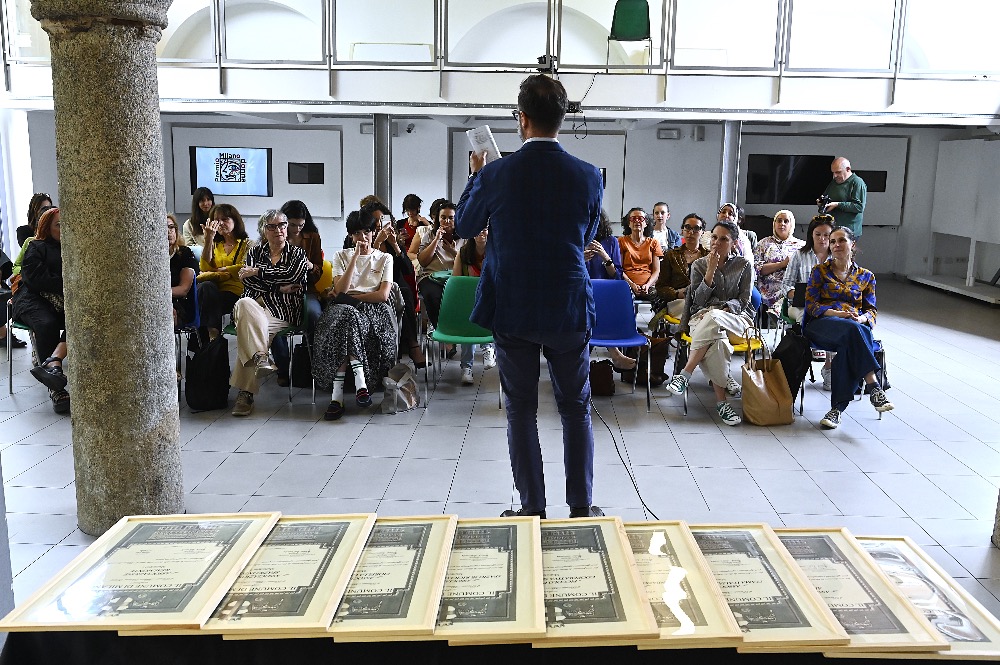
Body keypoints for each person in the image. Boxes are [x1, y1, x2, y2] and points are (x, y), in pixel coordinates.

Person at [456, 73, 604, 520]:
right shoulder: (588, 175)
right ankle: (581, 507)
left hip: (513, 305)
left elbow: (465, 226)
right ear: (562, 119)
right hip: (568, 304)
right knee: (576, 409)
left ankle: (531, 508)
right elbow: (587, 234)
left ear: (521, 119)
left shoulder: (496, 174)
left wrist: (475, 176)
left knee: (521, 410)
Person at [664, 220, 754, 427]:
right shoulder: (699, 265)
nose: (716, 243)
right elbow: (697, 302)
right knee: (718, 342)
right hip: (704, 317)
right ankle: (722, 403)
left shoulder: (743, 265)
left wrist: (726, 308)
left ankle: (685, 373)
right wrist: (710, 271)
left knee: (714, 316)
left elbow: (744, 300)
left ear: (733, 243)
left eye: (723, 239)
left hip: (735, 319)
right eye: (714, 237)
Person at [804, 226, 892, 429]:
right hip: (822, 324)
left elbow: (871, 312)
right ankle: (873, 384)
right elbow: (811, 306)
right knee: (855, 331)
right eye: (832, 241)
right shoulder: (820, 271)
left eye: (841, 240)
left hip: (853, 328)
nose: (836, 245)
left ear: (852, 244)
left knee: (849, 341)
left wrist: (860, 319)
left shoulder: (866, 276)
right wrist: (838, 314)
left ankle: (836, 410)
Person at [313, 209, 396, 421]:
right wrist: (355, 258)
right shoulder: (341, 256)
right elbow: (340, 290)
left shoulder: (385, 258)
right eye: (357, 233)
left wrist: (354, 297)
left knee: (347, 316)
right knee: (347, 316)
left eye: (367, 232)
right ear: (351, 236)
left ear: (373, 232)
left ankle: (337, 397)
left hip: (373, 310)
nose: (363, 237)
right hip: (343, 309)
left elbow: (383, 295)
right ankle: (361, 385)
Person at [230, 210, 311, 417]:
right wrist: (278, 287)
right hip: (253, 305)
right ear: (263, 230)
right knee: (244, 302)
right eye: (272, 226)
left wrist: (259, 272)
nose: (278, 230)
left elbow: (293, 275)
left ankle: (246, 393)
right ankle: (261, 357)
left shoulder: (297, 254)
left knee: (251, 333)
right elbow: (247, 281)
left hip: (282, 309)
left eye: (282, 225)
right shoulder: (255, 253)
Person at [11, 207, 70, 413]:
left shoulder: (73, 248)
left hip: (62, 300)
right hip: (31, 298)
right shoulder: (36, 246)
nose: (63, 228)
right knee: (47, 324)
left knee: (84, 318)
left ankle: (53, 362)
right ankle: (57, 389)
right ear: (47, 227)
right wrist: (68, 284)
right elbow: (36, 279)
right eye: (58, 224)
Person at [270, 199, 324, 386]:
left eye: (301, 225)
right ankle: (283, 367)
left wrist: (310, 266)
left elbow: (318, 272)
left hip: (306, 289)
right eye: (292, 225)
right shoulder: (273, 236)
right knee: (273, 318)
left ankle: (313, 363)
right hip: (280, 291)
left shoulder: (312, 237)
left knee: (314, 314)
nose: (296, 229)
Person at [368, 201, 425, 368]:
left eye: (381, 220)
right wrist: (376, 243)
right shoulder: (362, 238)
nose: (378, 224)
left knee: (403, 292)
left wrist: (395, 245)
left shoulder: (394, 239)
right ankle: (410, 347)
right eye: (374, 220)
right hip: (371, 285)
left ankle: (411, 345)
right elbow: (367, 268)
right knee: (400, 293)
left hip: (394, 284)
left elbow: (407, 269)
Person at [782, 214, 835, 390]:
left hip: (828, 307)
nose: (822, 239)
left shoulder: (837, 257)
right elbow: (786, 284)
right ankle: (801, 363)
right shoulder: (799, 255)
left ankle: (829, 366)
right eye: (818, 234)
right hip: (800, 306)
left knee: (834, 321)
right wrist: (796, 294)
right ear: (811, 235)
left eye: (826, 235)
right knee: (807, 316)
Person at [197, 203, 251, 341]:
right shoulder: (215, 245)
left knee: (205, 298)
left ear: (235, 221)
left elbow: (244, 268)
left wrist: (221, 270)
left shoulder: (247, 244)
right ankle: (213, 336)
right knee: (205, 288)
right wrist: (209, 238)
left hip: (236, 293)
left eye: (225, 219)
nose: (220, 223)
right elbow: (204, 268)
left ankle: (208, 340)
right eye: (216, 220)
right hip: (214, 291)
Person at [452, 226, 497, 385]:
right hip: (468, 300)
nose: (480, 233)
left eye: (485, 229)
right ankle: (466, 367)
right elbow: (456, 281)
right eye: (477, 229)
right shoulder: (463, 253)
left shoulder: (496, 251)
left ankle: (488, 347)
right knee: (468, 321)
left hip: (489, 301)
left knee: (487, 313)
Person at [411, 199, 460, 334]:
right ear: (438, 219)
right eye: (443, 217)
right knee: (433, 295)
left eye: (451, 218)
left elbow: (467, 262)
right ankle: (443, 332)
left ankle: (457, 329)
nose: (447, 221)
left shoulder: (463, 237)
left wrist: (453, 252)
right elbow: (423, 261)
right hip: (431, 276)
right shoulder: (430, 234)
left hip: (455, 277)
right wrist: (436, 240)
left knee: (460, 296)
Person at [652, 213, 708, 321]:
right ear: (682, 230)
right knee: (695, 314)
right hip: (678, 302)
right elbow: (661, 287)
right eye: (687, 227)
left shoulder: (709, 256)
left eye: (696, 228)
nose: (691, 232)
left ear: (702, 232)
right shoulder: (671, 255)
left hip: (702, 302)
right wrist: (677, 294)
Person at [753, 209, 804, 313]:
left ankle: (778, 311)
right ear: (774, 224)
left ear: (791, 225)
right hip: (767, 289)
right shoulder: (763, 244)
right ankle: (777, 311)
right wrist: (782, 264)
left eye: (786, 221)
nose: (782, 224)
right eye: (779, 221)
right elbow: (757, 269)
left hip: (792, 288)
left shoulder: (802, 246)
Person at [618, 207, 662, 300]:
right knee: (624, 295)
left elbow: (656, 271)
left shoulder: (653, 243)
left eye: (640, 218)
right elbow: (619, 269)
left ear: (646, 223)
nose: (637, 221)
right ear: (628, 223)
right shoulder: (621, 241)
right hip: (626, 285)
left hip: (649, 287)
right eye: (633, 218)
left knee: (659, 295)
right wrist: (632, 284)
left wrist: (648, 285)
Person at [820, 157, 866, 237]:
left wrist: (838, 204)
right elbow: (826, 196)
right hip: (833, 228)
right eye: (833, 173)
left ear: (848, 169)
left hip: (849, 232)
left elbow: (859, 207)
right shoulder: (834, 182)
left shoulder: (857, 182)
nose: (835, 176)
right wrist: (822, 202)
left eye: (838, 172)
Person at [168, 213, 198, 327]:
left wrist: (158, 294)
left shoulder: (184, 253)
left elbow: (183, 289)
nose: (168, 231)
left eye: (171, 227)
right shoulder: (151, 257)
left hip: (179, 304)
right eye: (163, 227)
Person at [182, 187, 215, 253]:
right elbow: (189, 247)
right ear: (196, 203)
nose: (206, 203)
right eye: (202, 200)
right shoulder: (188, 225)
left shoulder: (219, 220)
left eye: (208, 199)